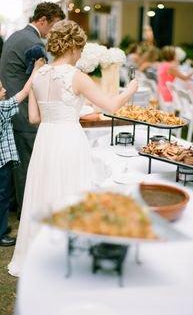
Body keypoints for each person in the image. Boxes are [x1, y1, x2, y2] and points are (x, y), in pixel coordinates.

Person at [8, 20, 138, 277]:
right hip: (68, 139)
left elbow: (34, 118)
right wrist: (131, 89)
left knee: (43, 192)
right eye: (80, 47)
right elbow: (110, 106)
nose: (81, 53)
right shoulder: (76, 76)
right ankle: (66, 254)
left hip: (46, 139)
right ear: (73, 46)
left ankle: (39, 253)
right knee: (69, 191)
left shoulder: (38, 75)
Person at [0, 2, 65, 217]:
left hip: (11, 106)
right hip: (23, 111)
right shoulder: (33, 42)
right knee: (26, 166)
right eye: (53, 25)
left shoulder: (16, 36)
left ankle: (13, 207)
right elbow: (43, 78)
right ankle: (25, 213)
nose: (53, 31)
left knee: (15, 164)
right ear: (43, 20)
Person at [0, 59, 45, 247]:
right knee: (2, 195)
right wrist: (35, 70)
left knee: (3, 195)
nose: (4, 90)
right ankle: (1, 233)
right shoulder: (2, 108)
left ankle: (1, 226)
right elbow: (24, 92)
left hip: (4, 161)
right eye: (0, 88)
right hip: (2, 163)